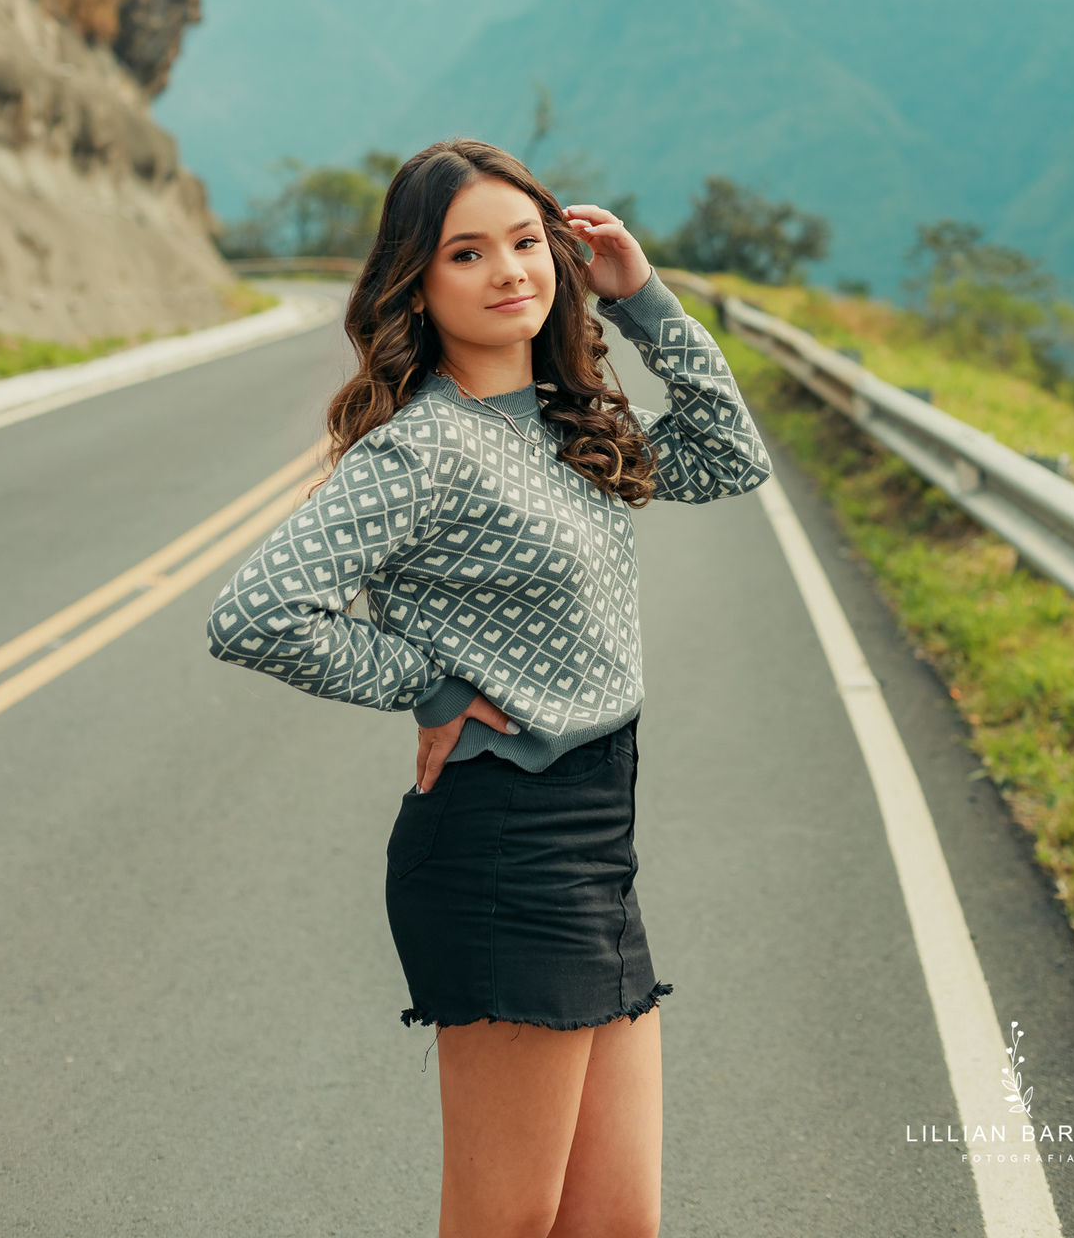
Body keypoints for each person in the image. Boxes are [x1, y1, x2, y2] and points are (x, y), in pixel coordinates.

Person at [207, 137, 771, 1238]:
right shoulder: (418, 452)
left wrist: (646, 300)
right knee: (507, 1222)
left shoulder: (576, 424)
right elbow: (254, 614)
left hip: (599, 832)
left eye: (526, 242)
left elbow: (731, 457)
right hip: (502, 843)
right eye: (469, 253)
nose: (510, 269)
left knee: (614, 1224)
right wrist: (430, 687)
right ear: (416, 284)